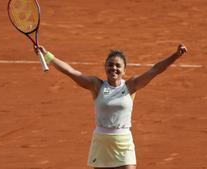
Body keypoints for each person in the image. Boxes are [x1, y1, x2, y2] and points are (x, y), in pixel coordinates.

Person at [35, 44, 187, 169]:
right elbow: (71, 72)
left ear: (124, 70)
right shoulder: (96, 85)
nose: (114, 68)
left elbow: (155, 70)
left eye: (118, 66)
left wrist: (175, 55)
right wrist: (48, 55)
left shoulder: (131, 85)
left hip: (124, 142)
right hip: (102, 143)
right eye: (110, 65)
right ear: (105, 67)